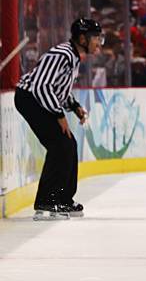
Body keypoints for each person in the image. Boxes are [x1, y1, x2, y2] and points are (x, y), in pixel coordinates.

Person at [14, 19, 102, 220]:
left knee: (68, 144)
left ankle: (62, 198)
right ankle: (47, 201)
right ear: (82, 38)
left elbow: (58, 87)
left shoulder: (72, 57)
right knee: (59, 145)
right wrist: (58, 114)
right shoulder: (61, 54)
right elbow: (41, 86)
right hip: (29, 98)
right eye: (96, 37)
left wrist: (74, 106)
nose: (99, 42)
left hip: (37, 99)